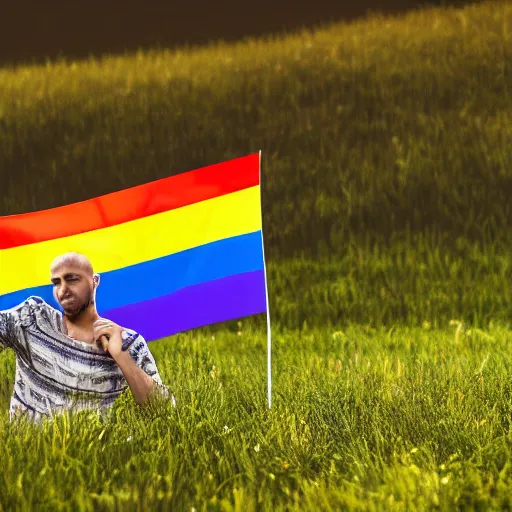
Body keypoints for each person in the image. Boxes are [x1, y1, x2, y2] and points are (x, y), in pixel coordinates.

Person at [0, 252, 173, 423]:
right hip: (26, 446)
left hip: (90, 446)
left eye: (72, 279)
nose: (63, 290)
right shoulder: (31, 320)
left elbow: (164, 410)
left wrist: (122, 357)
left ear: (94, 281)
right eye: (56, 282)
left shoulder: (127, 341)